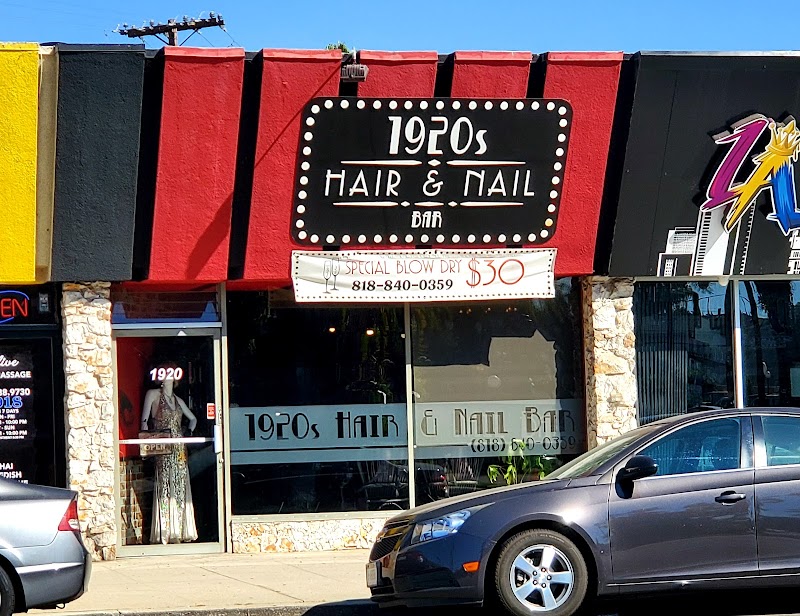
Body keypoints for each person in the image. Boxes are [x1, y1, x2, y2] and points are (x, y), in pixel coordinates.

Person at [141, 363, 198, 544]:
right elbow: (144, 420)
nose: (168, 378)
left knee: (180, 485)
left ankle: (179, 529)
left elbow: (193, 419)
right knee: (165, 484)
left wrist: (189, 432)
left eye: (171, 375)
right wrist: (146, 440)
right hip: (163, 446)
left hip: (179, 447)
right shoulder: (153, 395)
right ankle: (166, 529)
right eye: (165, 374)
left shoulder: (178, 400)